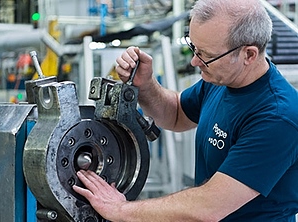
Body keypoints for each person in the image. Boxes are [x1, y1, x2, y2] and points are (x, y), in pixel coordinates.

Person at [73, 0, 298, 221]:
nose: (193, 62)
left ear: (248, 55)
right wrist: (146, 84)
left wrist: (120, 210)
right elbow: (177, 114)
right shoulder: (221, 80)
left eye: (206, 56)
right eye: (194, 48)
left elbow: (209, 207)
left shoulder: (277, 117)